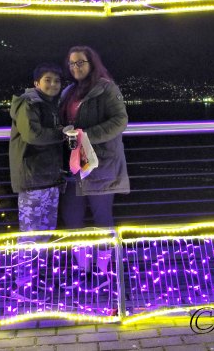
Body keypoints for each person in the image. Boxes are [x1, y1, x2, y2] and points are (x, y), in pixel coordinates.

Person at [59, 46, 130, 280]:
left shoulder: (106, 87)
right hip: (73, 166)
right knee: (72, 218)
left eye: (81, 62)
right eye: (72, 64)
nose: (76, 67)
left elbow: (120, 120)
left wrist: (87, 134)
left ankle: (103, 269)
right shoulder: (69, 91)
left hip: (100, 165)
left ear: (92, 63)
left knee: (102, 218)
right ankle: (82, 268)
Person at [8, 63, 65, 299]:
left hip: (49, 178)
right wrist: (63, 133)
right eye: (47, 80)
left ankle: (36, 280)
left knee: (45, 233)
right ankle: (22, 286)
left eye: (57, 81)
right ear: (36, 83)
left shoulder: (50, 105)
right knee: (30, 234)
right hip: (32, 179)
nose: (53, 85)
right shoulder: (28, 102)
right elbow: (33, 135)